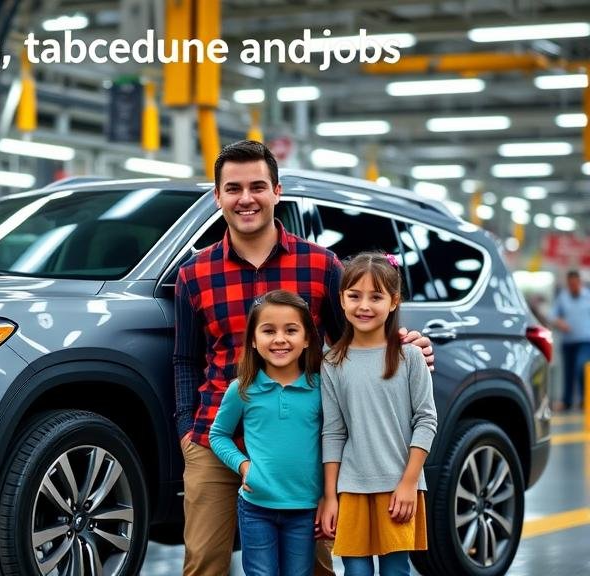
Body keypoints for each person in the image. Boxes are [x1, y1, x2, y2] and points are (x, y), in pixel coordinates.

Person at [173, 139, 434, 576]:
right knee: (204, 563)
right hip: (216, 438)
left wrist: (403, 344)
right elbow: (185, 359)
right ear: (217, 196)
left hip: (303, 443)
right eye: (233, 188)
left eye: (258, 186)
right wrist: (186, 428)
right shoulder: (194, 274)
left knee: (314, 565)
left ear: (277, 191)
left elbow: (354, 340)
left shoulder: (321, 265)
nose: (246, 198)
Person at [317, 252, 438, 576]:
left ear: (394, 301)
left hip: (399, 486)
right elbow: (333, 432)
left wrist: (409, 483)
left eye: (376, 296)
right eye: (354, 296)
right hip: (351, 488)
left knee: (395, 570)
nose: (364, 306)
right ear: (341, 300)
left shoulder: (410, 357)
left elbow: (426, 420)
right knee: (356, 572)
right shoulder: (332, 363)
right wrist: (330, 496)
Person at [209, 290, 324, 576]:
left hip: (305, 508)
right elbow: (218, 435)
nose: (280, 339)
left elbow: (334, 439)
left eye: (291, 330)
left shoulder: (321, 388)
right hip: (256, 507)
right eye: (269, 331)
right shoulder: (242, 389)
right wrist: (243, 465)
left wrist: (328, 494)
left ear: (307, 339)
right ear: (253, 339)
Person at [550, 270, 590, 412]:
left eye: (575, 284)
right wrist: (559, 322)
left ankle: (584, 399)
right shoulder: (563, 297)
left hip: (585, 340)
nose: (573, 287)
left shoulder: (588, 296)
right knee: (568, 372)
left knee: (581, 367)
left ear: (579, 282)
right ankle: (567, 402)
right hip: (568, 341)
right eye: (570, 284)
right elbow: (552, 315)